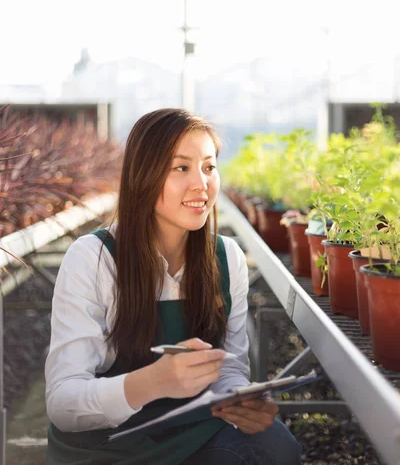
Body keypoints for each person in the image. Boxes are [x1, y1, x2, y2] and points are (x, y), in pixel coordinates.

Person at [45, 108, 302, 465]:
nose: (201, 183)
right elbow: (63, 403)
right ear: (143, 176)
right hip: (106, 444)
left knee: (275, 446)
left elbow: (229, 366)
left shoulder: (227, 257)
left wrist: (239, 400)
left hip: (190, 429)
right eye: (181, 167)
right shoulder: (93, 258)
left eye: (209, 167)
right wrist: (152, 383)